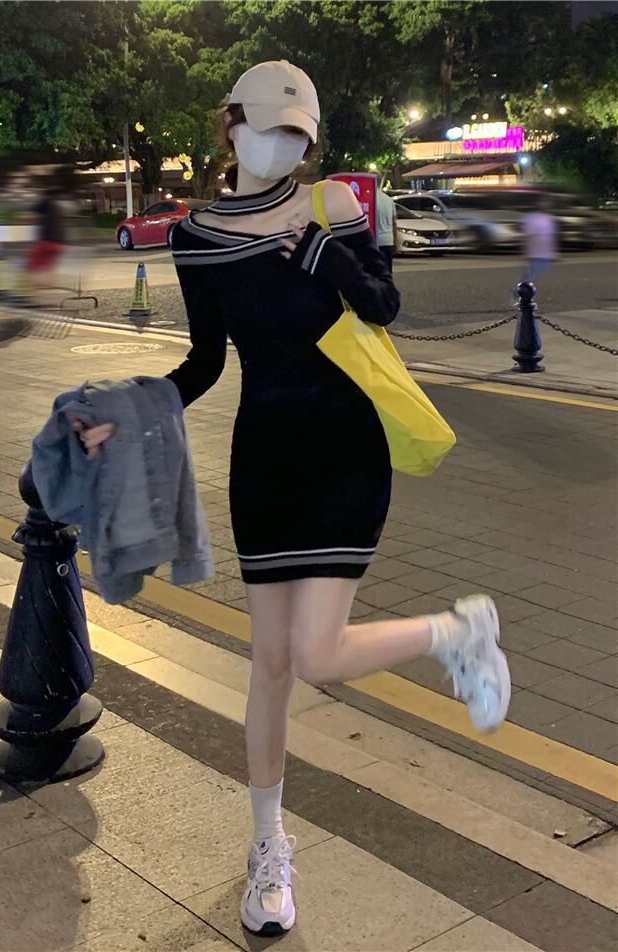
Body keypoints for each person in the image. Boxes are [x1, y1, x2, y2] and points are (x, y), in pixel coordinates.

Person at [73, 61, 511, 938]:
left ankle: (455, 634)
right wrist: (131, 409)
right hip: (265, 458)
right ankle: (267, 850)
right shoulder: (195, 236)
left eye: (299, 138)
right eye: (273, 131)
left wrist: (325, 255)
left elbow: (384, 305)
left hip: (346, 447)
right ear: (232, 125)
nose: (286, 148)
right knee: (269, 665)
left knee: (315, 655)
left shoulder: (331, 205)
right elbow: (206, 361)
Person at [521, 193, 558, 284]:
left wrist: (553, 252)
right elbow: (528, 235)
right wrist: (526, 251)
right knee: (532, 274)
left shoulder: (548, 218)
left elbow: (551, 237)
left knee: (536, 272)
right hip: (535, 253)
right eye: (543, 202)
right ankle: (521, 289)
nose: (545, 204)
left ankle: (522, 288)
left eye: (546, 202)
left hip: (545, 254)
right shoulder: (532, 218)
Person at [375, 185, 397, 273]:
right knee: (387, 271)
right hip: (388, 240)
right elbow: (394, 223)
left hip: (375, 240)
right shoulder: (388, 199)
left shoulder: (370, 199)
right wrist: (395, 241)